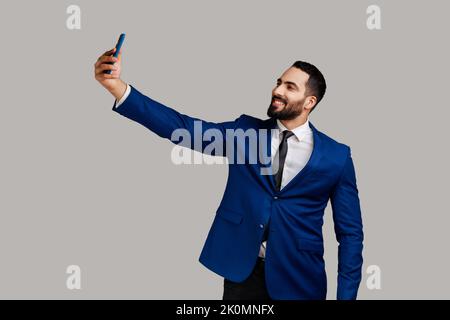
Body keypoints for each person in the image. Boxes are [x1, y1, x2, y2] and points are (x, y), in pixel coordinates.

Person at [94, 48, 364, 300]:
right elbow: (184, 129)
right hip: (242, 272)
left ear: (310, 101)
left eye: (289, 87)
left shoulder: (337, 156)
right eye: (278, 82)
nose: (277, 90)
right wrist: (118, 89)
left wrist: (346, 296)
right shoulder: (245, 133)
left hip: (300, 276)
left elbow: (350, 233)